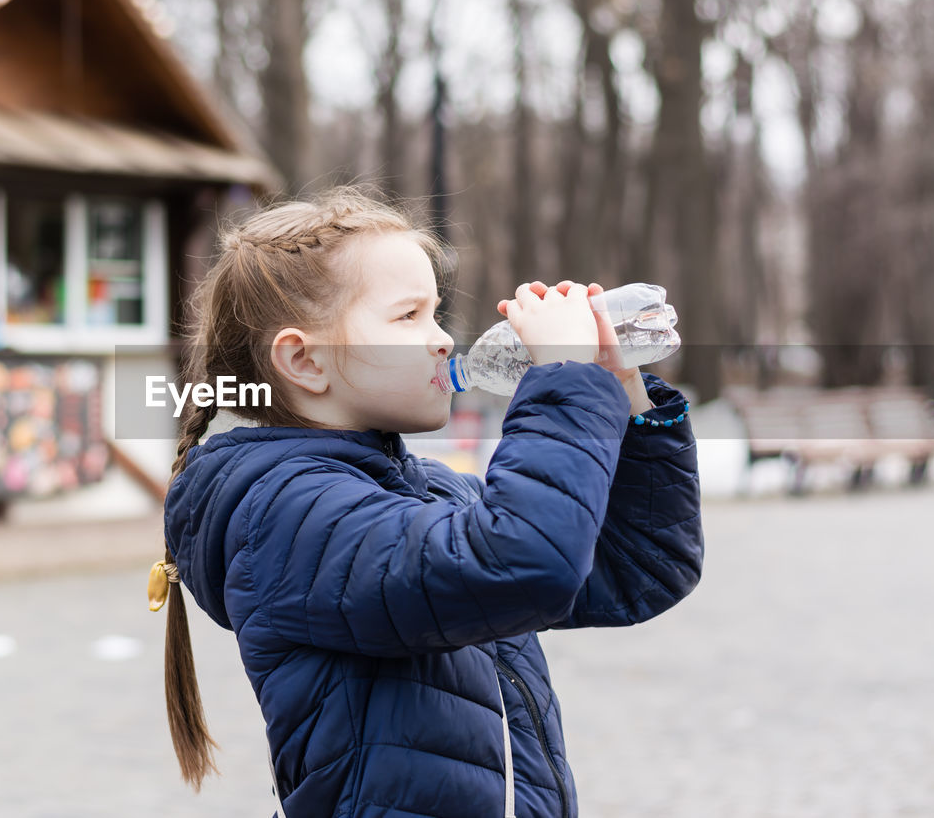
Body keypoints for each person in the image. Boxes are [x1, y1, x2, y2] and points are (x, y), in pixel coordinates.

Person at [152, 187, 703, 817]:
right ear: (304, 360)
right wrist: (564, 385)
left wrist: (622, 391)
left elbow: (642, 567)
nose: (443, 340)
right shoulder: (282, 514)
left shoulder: (428, 493)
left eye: (437, 314)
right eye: (408, 316)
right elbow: (526, 561)